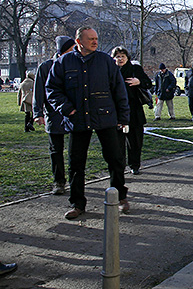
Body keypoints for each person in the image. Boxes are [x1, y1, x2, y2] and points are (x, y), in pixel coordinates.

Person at [46, 26, 130, 219]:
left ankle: (120, 197)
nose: (95, 41)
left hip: (105, 117)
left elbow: (119, 90)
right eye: (90, 38)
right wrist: (67, 109)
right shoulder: (63, 62)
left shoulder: (106, 62)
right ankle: (77, 203)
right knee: (76, 163)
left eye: (96, 38)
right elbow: (52, 89)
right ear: (79, 41)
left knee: (115, 160)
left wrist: (123, 118)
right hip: (78, 119)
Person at [33, 35, 75, 194]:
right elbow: (39, 91)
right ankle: (59, 181)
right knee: (56, 149)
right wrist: (38, 113)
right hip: (53, 113)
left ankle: (74, 179)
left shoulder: (75, 64)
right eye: (70, 49)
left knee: (74, 150)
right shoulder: (45, 67)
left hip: (72, 113)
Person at [111, 46, 152, 175]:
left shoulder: (135, 69)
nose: (120, 59)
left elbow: (148, 83)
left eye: (122, 56)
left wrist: (138, 81)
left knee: (135, 141)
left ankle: (135, 164)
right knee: (118, 143)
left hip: (134, 110)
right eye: (117, 56)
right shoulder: (111, 70)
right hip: (116, 111)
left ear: (127, 57)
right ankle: (120, 166)